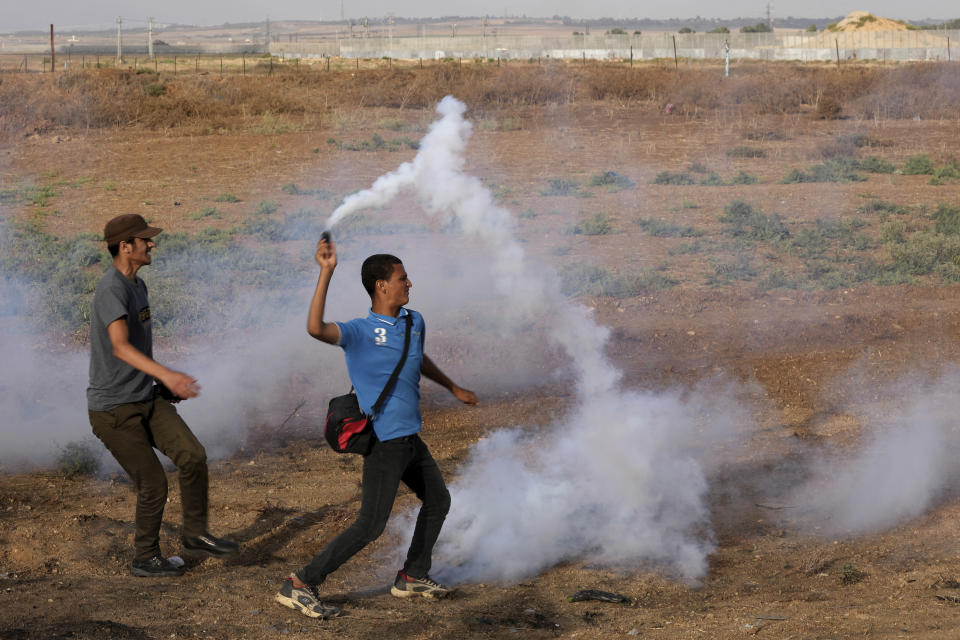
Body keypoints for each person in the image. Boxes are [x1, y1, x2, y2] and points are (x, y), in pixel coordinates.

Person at [275, 237, 477, 619]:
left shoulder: (415, 321)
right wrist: (326, 272)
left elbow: (416, 358)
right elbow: (315, 328)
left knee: (438, 500)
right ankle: (301, 583)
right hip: (384, 442)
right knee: (370, 526)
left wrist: (452, 387)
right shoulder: (359, 332)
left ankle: (413, 575)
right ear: (382, 285)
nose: (409, 284)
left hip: (409, 437)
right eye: (403, 278)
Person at [87, 213, 239, 578]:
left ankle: (195, 533)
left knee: (192, 454)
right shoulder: (112, 289)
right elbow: (121, 348)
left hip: (146, 397)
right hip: (114, 410)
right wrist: (168, 374)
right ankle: (145, 557)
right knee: (153, 483)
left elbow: (135, 351)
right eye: (145, 240)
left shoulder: (137, 285)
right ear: (126, 246)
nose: (152, 244)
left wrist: (161, 384)